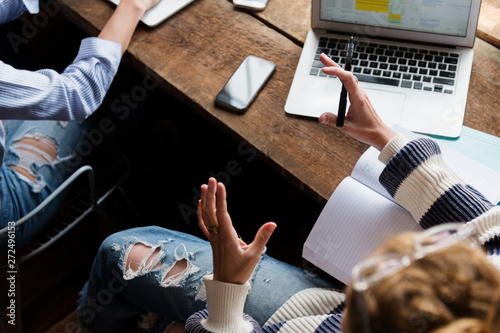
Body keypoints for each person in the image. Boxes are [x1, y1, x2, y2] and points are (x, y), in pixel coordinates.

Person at [77, 53, 500, 333]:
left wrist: (227, 287)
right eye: (436, 242)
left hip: (301, 319)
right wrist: (385, 137)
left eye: (389, 267)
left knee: (120, 253)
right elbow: (484, 227)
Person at [0, 0, 159, 250]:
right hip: (7, 216)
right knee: (122, 79)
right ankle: (124, 201)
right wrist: (133, 6)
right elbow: (77, 95)